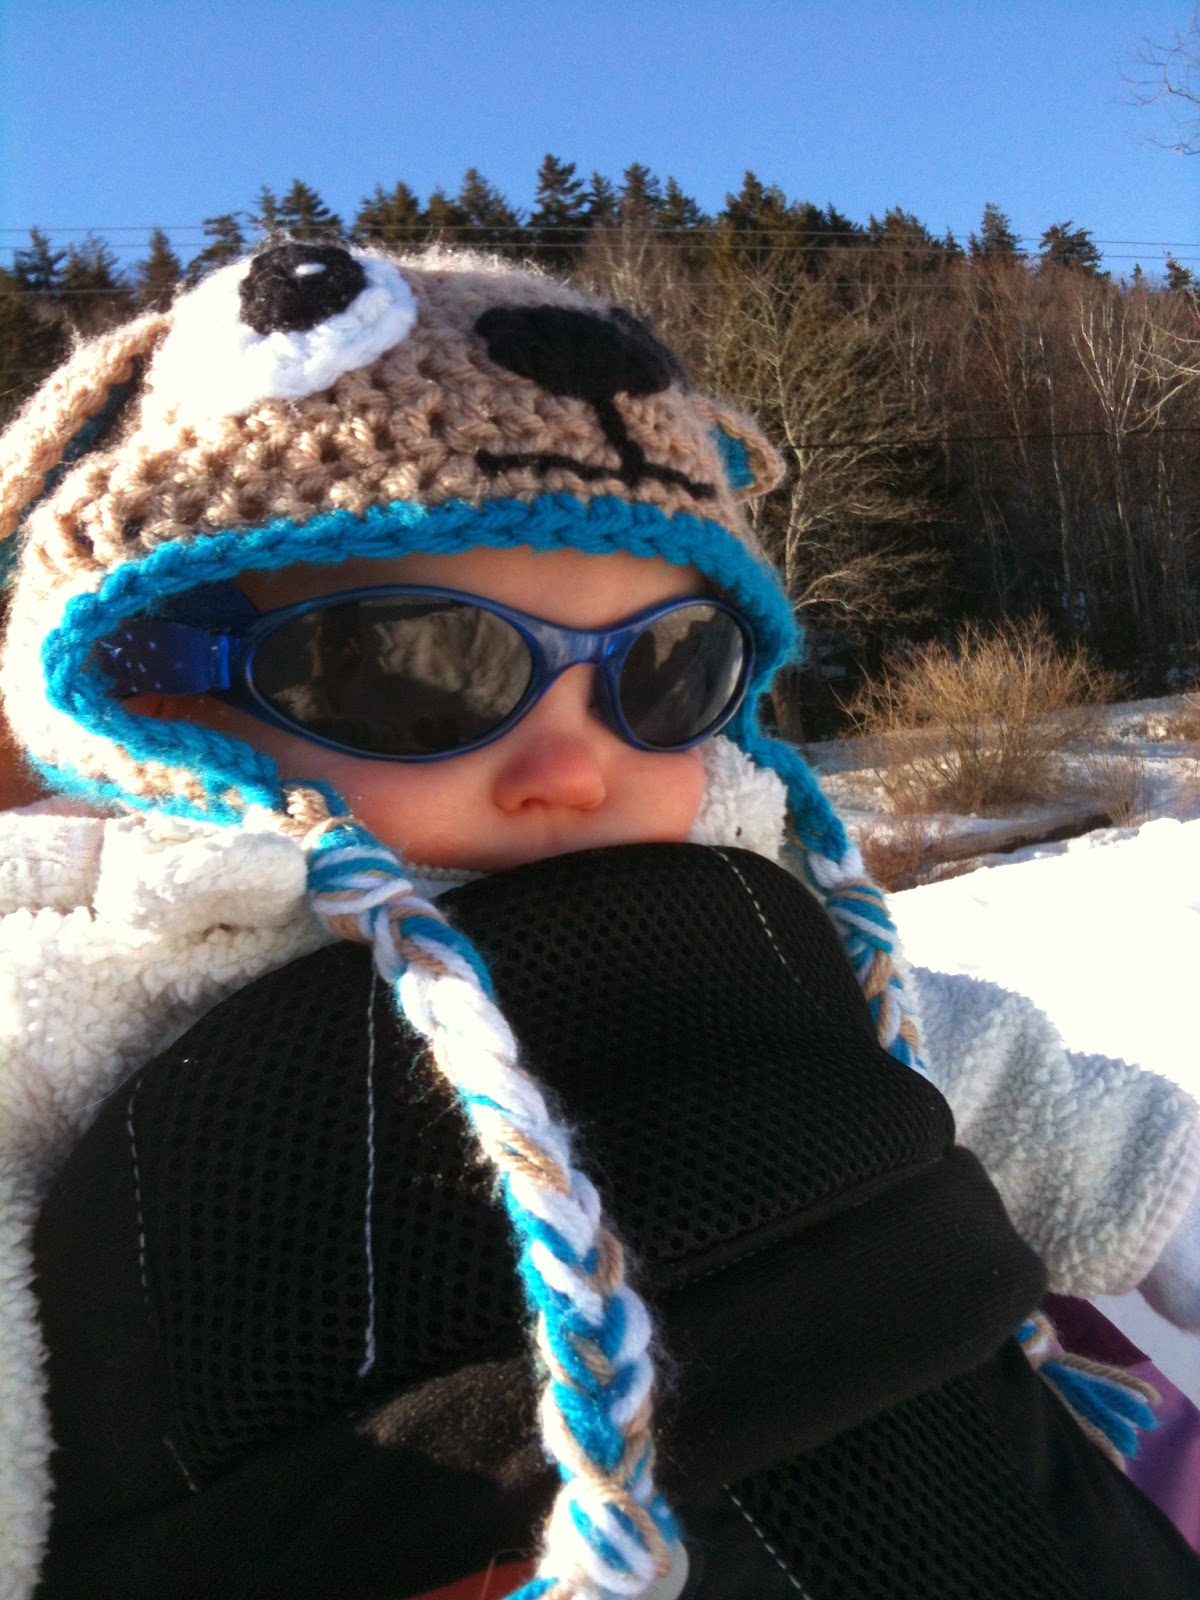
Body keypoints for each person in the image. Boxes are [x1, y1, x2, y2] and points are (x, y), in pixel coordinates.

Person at [0, 242, 1198, 1600]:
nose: (575, 768)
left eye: (666, 673)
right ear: (153, 693)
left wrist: (1156, 1182)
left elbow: (940, 1057)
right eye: (420, 668)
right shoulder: (98, 965)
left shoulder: (730, 901)